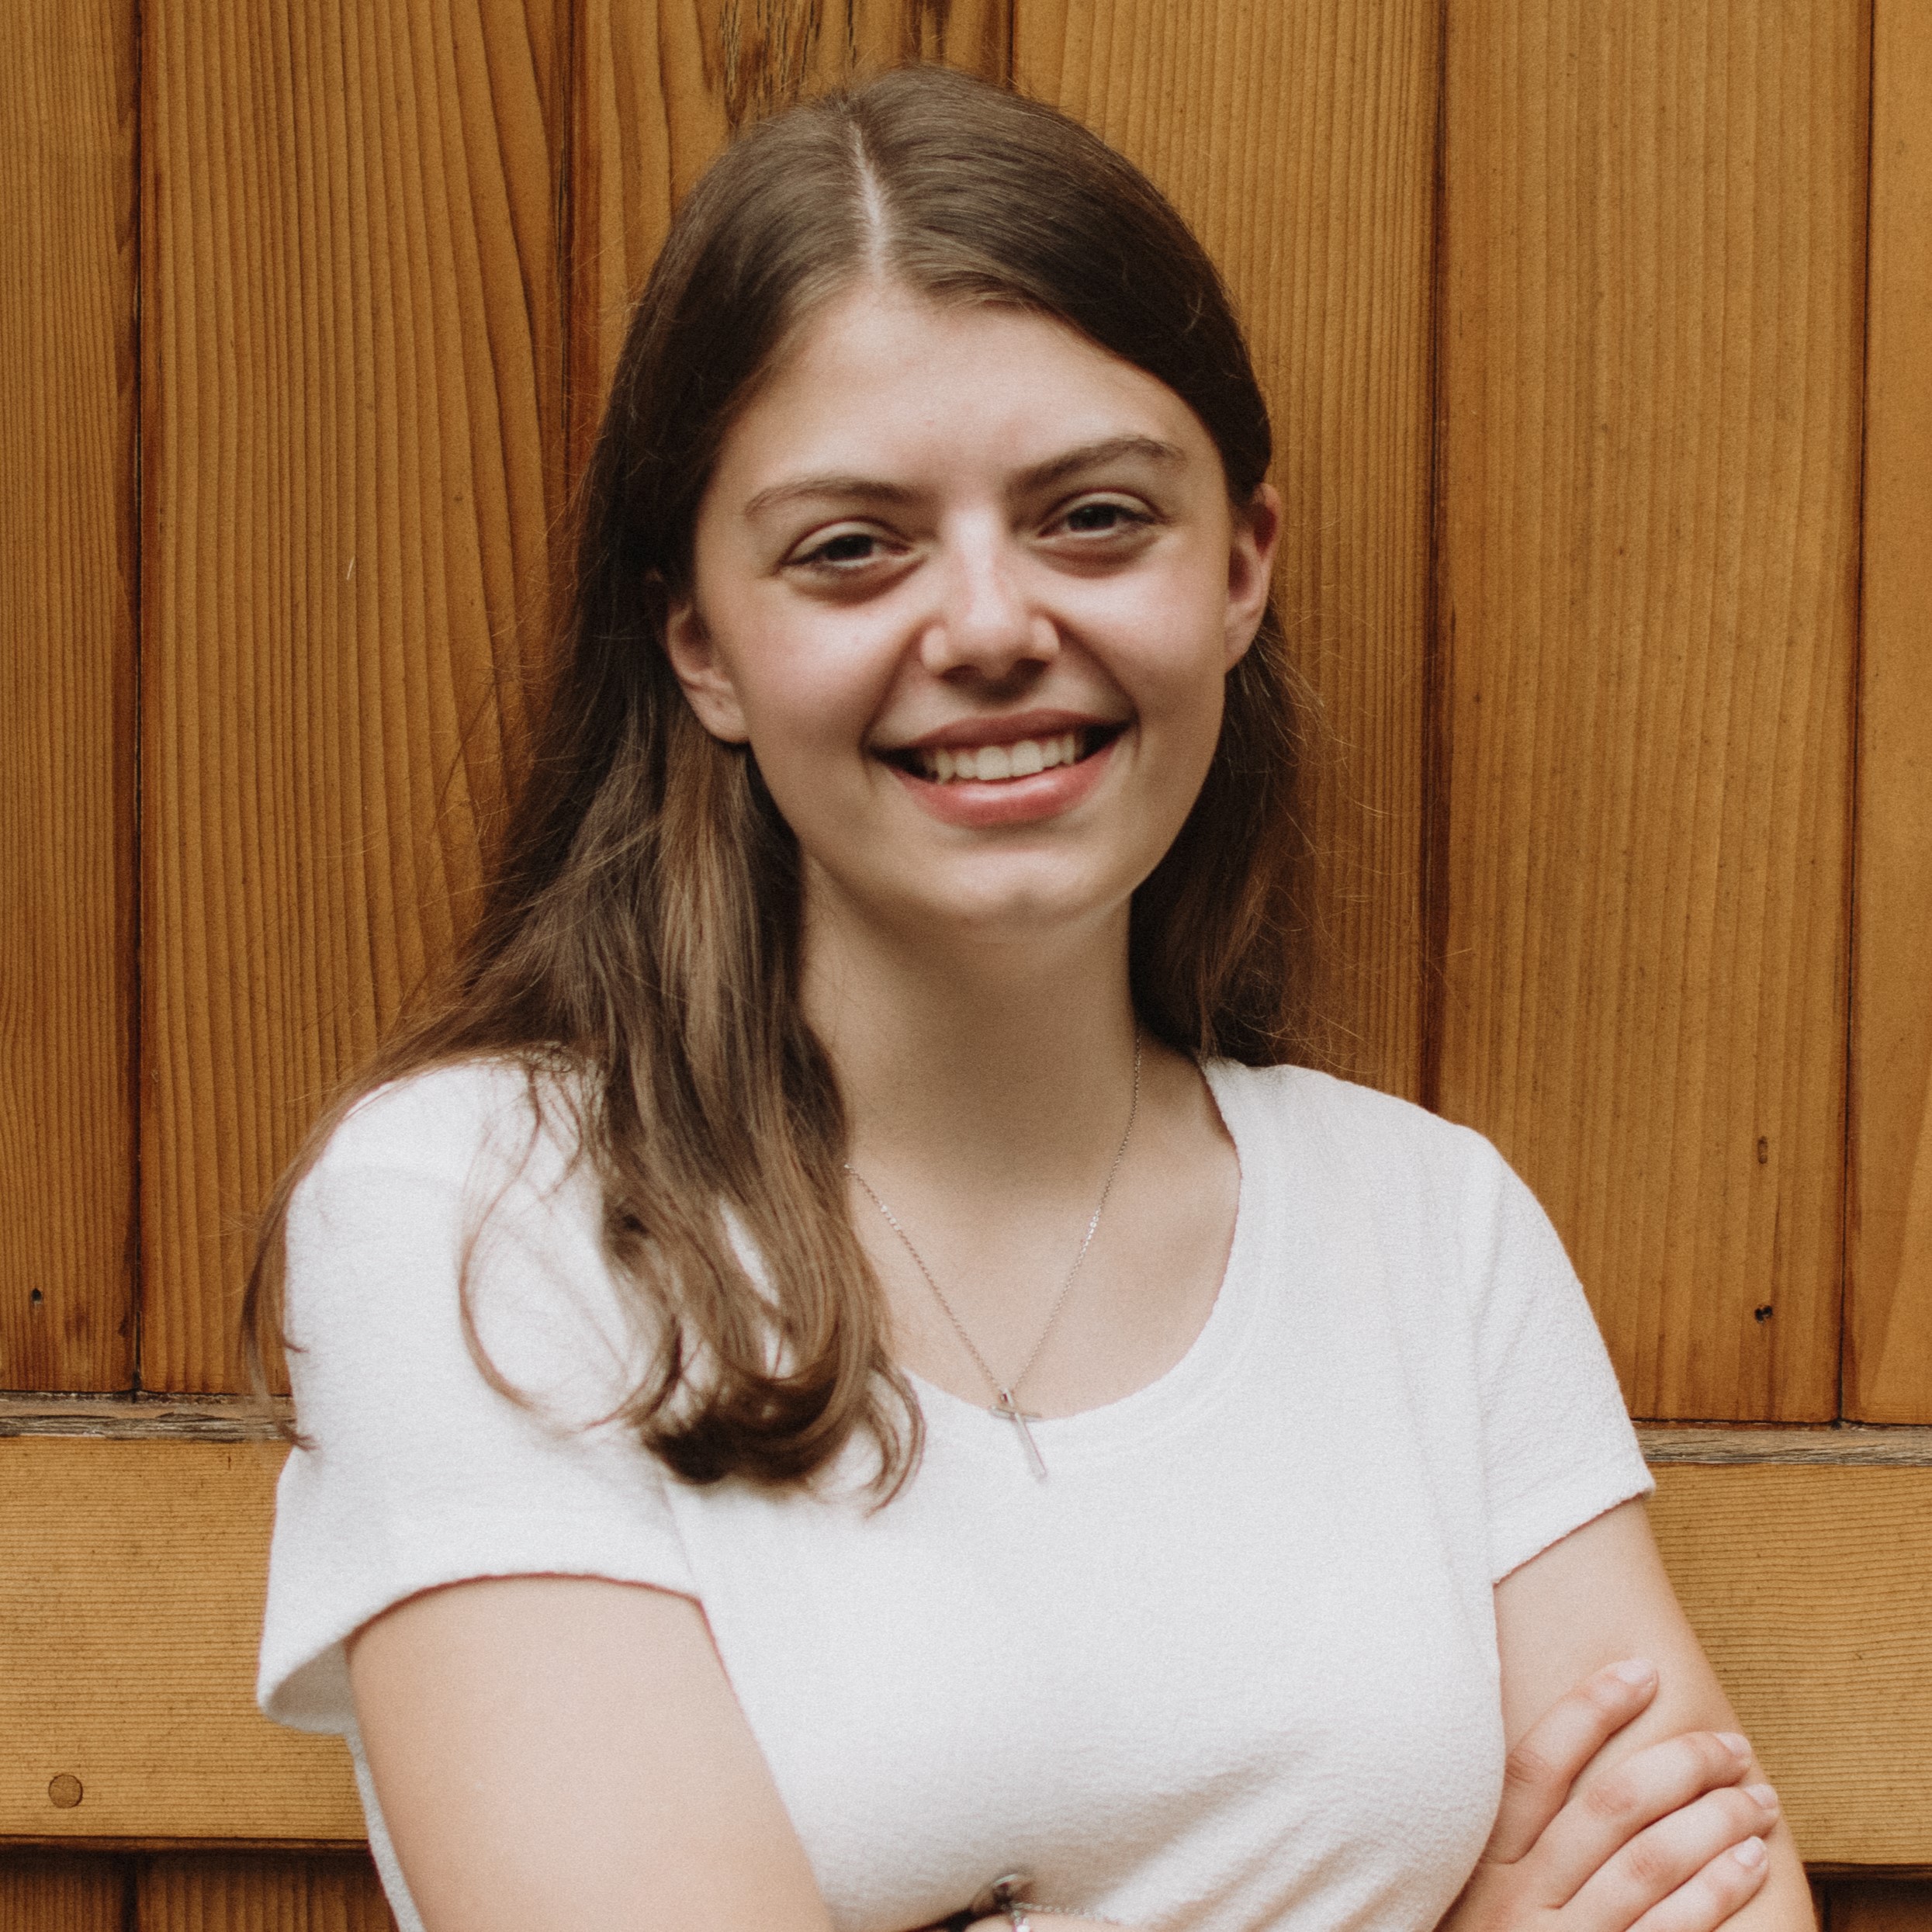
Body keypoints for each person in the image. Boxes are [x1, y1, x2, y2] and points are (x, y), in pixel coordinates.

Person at [251, 64, 1812, 1932]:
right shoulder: (482, 1215)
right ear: (702, 644)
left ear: (1239, 567)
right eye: (852, 547)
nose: (991, 626)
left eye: (1094, 517)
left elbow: (1716, 1898)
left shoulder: (1429, 1229)